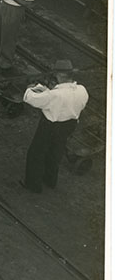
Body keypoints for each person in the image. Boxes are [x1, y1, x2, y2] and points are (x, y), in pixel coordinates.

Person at [21, 59, 88, 193]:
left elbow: (32, 99)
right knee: (55, 152)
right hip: (69, 125)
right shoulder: (82, 90)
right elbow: (72, 102)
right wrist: (47, 91)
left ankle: (33, 185)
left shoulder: (56, 95)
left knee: (37, 153)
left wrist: (29, 89)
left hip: (50, 126)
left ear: (60, 75)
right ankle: (50, 180)